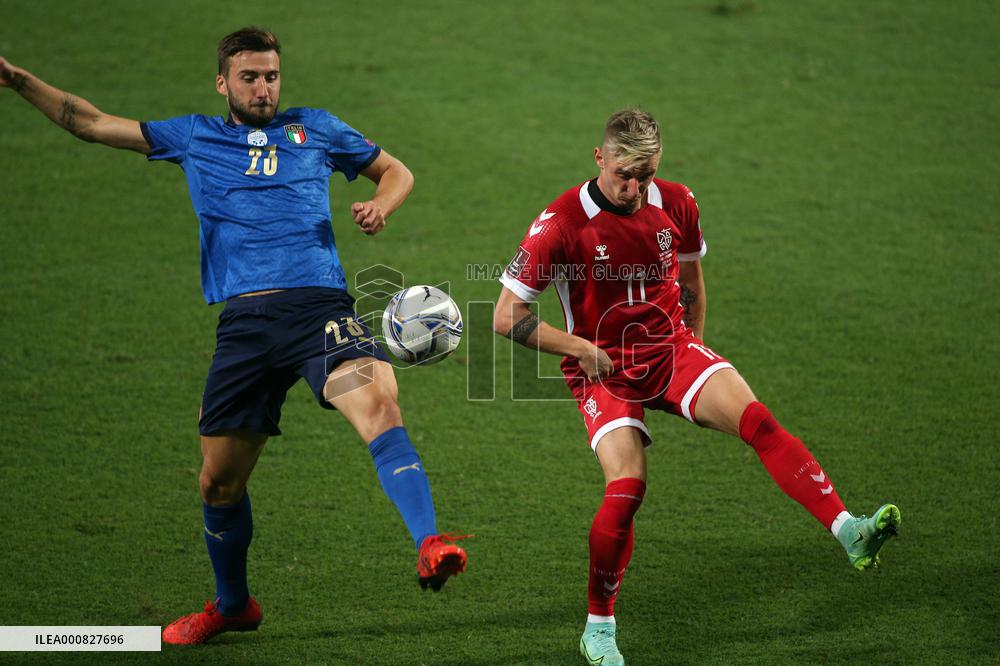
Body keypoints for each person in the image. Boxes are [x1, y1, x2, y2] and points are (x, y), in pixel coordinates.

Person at [1, 27, 468, 646]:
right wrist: (17, 80)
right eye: (250, 77)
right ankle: (232, 605)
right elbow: (87, 122)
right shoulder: (195, 136)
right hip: (245, 327)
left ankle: (430, 541)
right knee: (218, 482)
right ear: (224, 82)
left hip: (319, 310)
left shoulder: (316, 129)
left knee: (378, 403)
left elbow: (395, 171)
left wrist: (383, 204)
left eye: (271, 75)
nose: (263, 87)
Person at [493, 108, 900, 666]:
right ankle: (599, 626)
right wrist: (578, 348)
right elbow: (505, 315)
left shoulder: (678, 202)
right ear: (599, 157)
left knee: (758, 420)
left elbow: (691, 281)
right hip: (603, 367)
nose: (635, 188)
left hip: (672, 349)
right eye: (624, 175)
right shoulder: (560, 223)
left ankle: (848, 528)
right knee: (628, 486)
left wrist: (697, 358)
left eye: (646, 174)